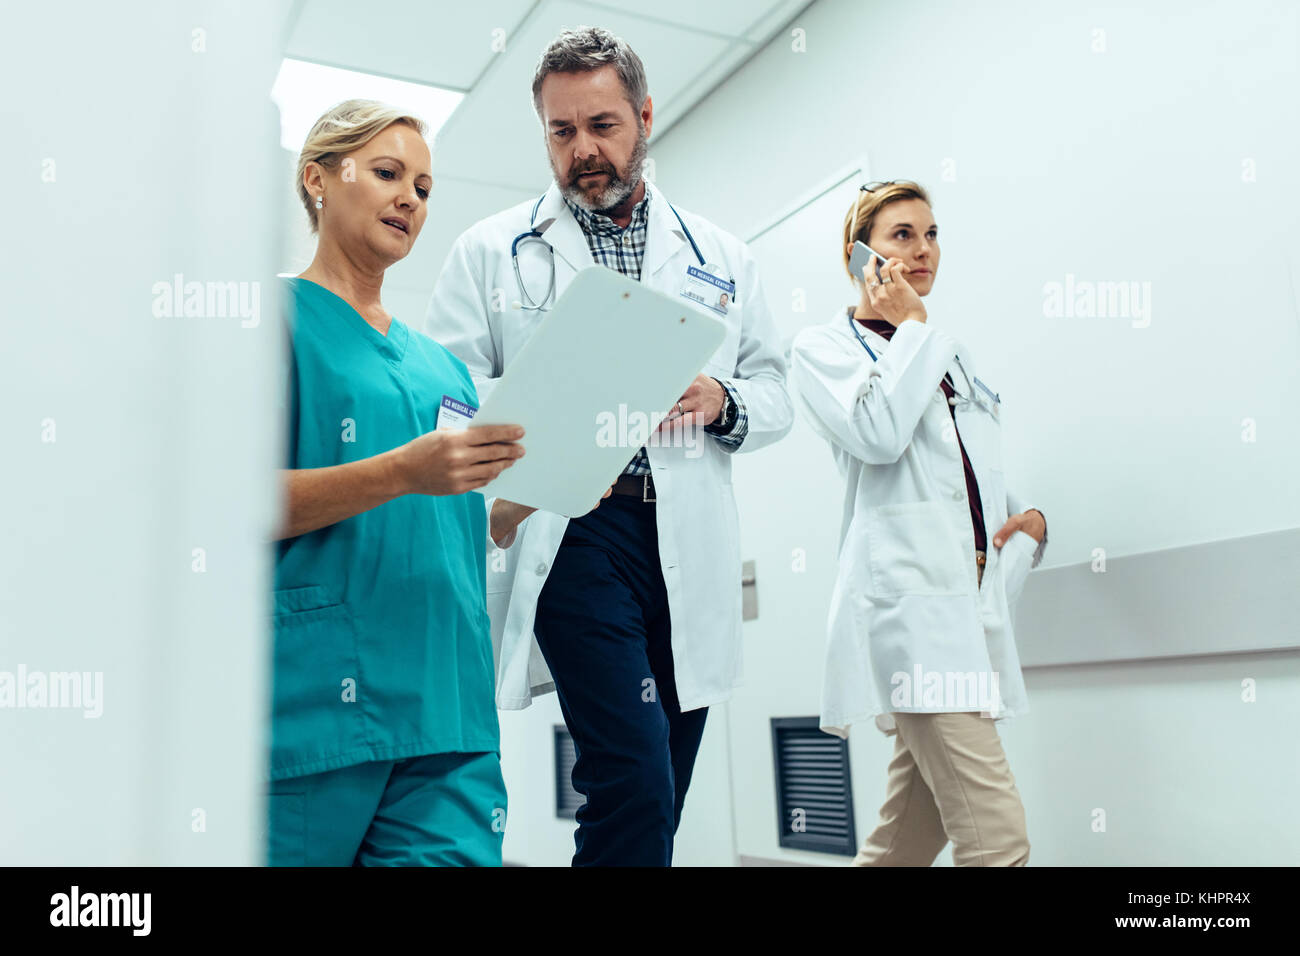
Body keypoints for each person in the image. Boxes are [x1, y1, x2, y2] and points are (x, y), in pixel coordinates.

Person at [427, 27, 793, 866]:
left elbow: (776, 394)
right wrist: (541, 402)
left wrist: (720, 397)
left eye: (602, 125)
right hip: (573, 529)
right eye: (562, 133)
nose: (583, 150)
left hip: (683, 536)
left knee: (663, 776)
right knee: (630, 774)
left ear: (645, 117)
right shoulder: (490, 252)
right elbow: (446, 395)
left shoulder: (722, 258)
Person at [268, 99, 536, 866]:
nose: (410, 200)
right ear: (318, 178)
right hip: (315, 706)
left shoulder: (445, 367)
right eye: (388, 173)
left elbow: (442, 515)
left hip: (447, 706)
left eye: (423, 188)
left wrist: (511, 502)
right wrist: (400, 471)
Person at [789, 180, 1049, 866]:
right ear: (859, 257)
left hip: (965, 609)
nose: (924, 249)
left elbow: (964, 473)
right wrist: (910, 330)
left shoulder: (947, 354)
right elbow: (878, 434)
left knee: (906, 840)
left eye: (932, 234)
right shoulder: (824, 349)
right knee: (997, 840)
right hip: (910, 617)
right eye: (902, 235)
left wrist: (1026, 523)